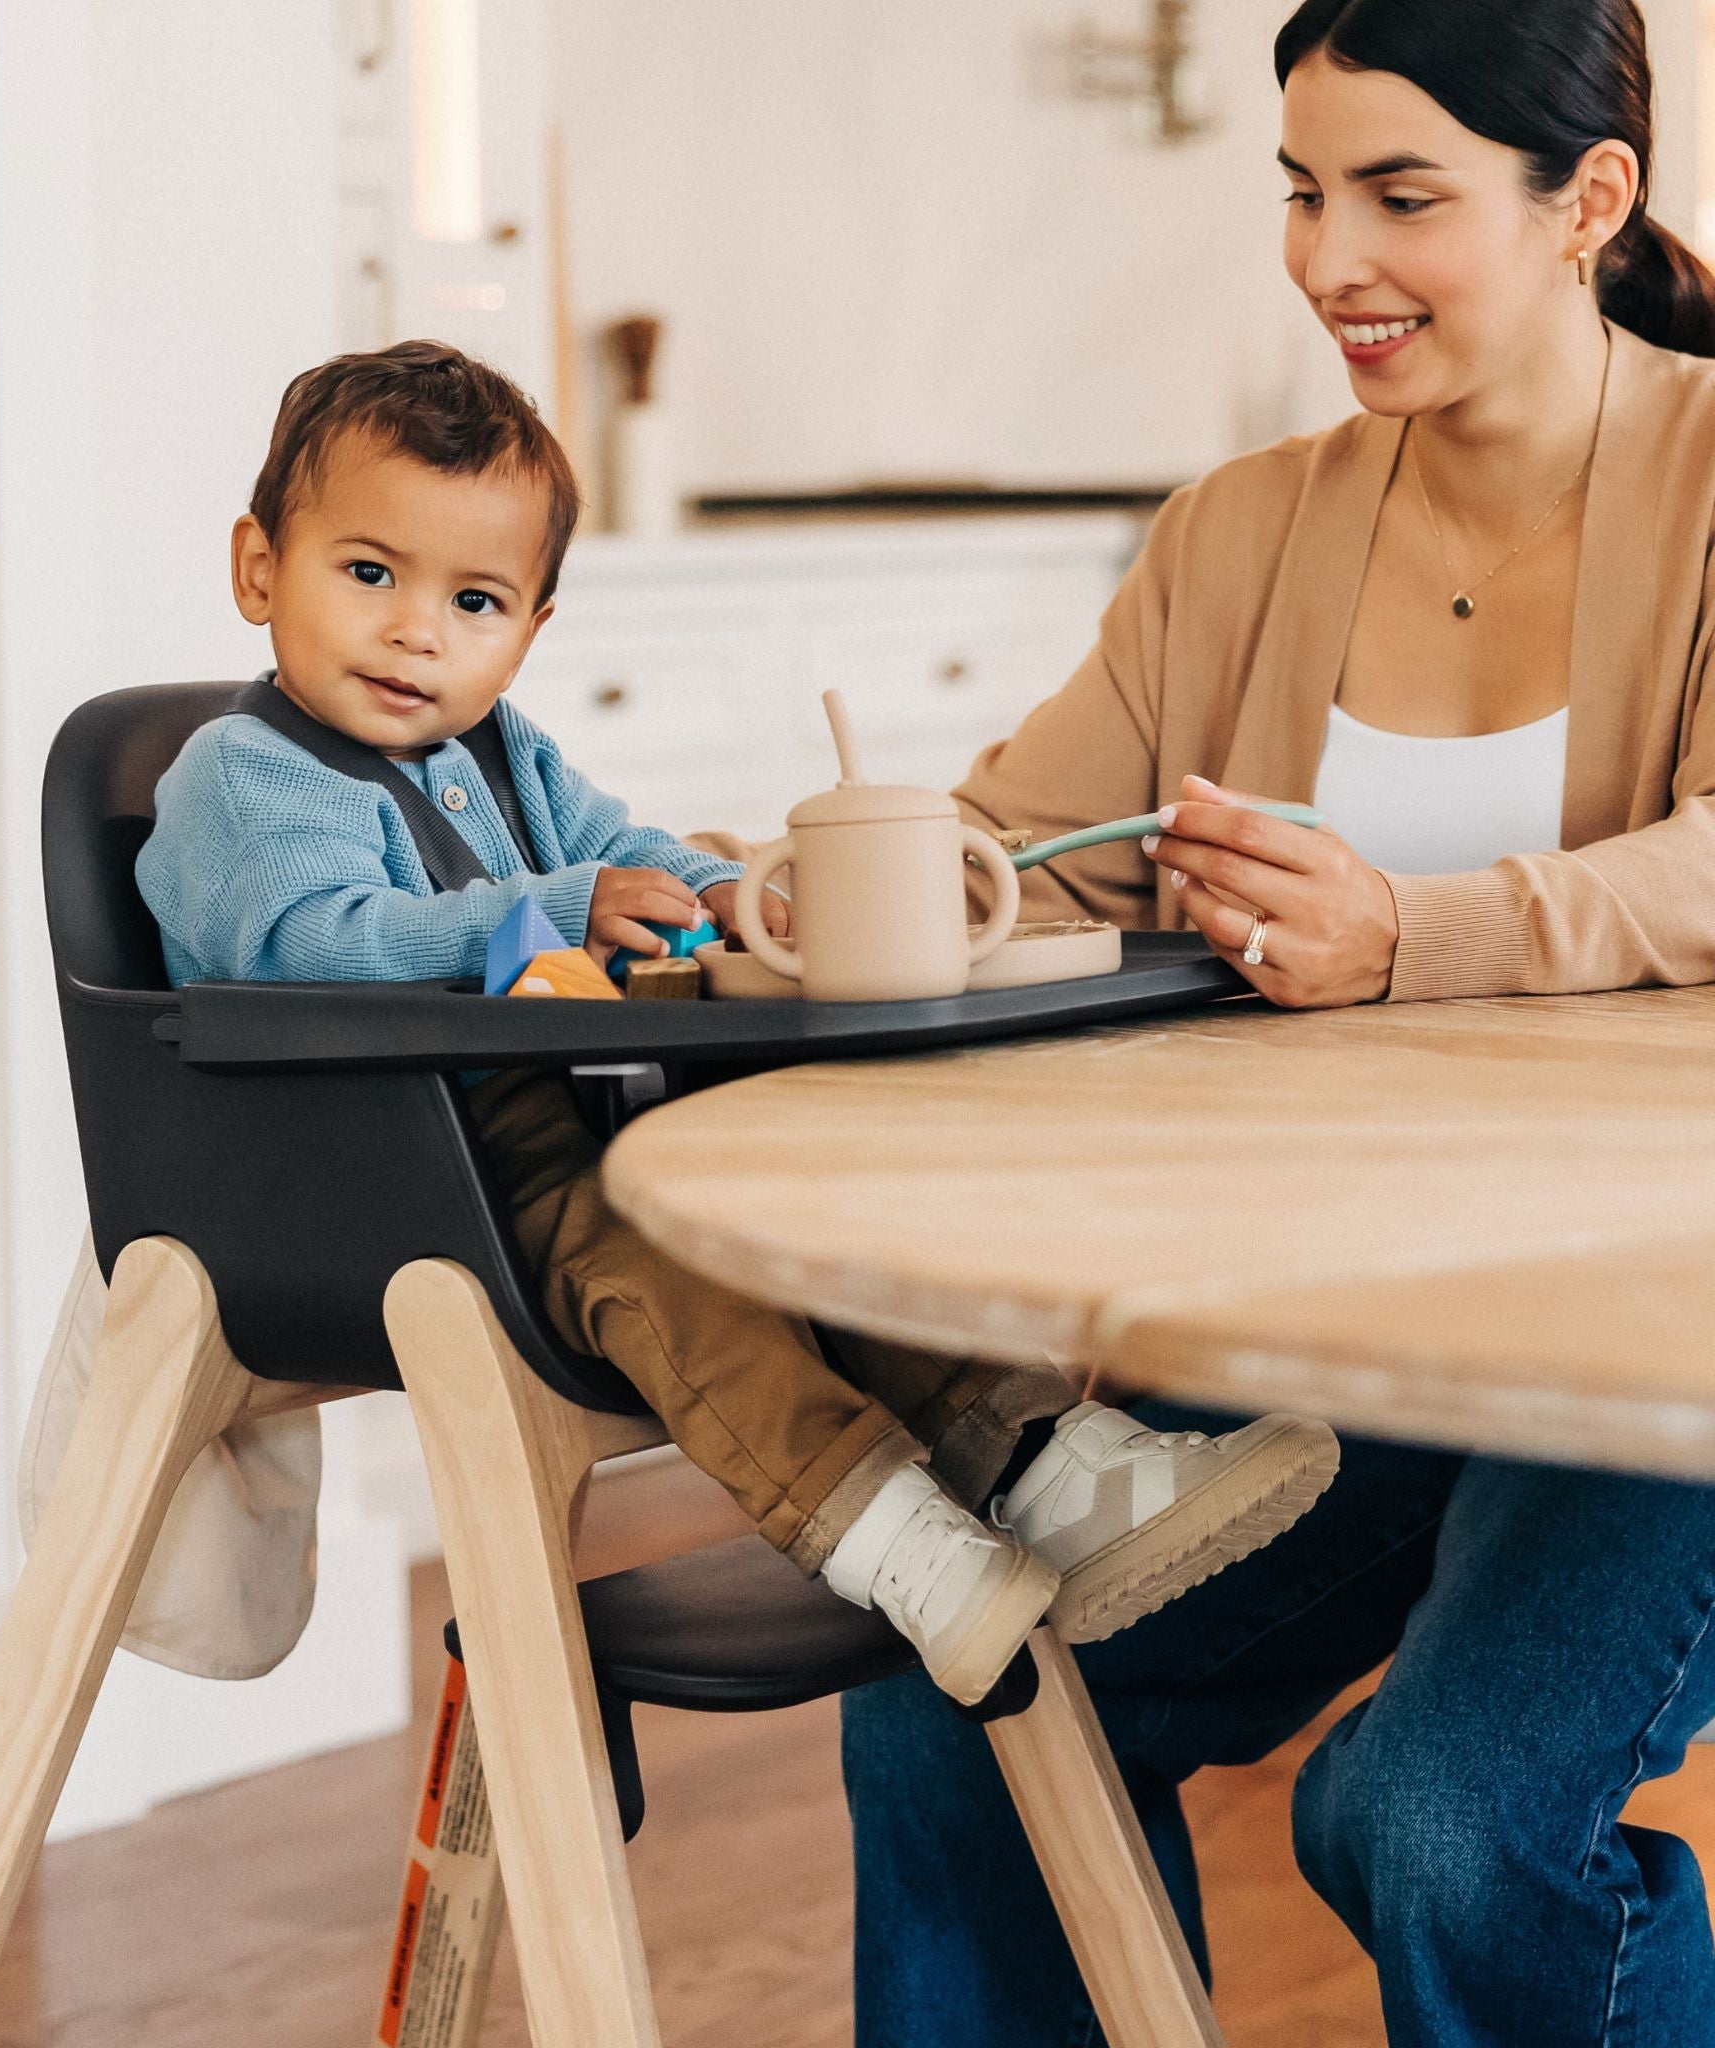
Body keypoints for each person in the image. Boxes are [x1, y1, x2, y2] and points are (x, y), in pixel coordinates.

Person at [841, 2, 1715, 2042]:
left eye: (1399, 195)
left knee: (1440, 1810)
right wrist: (828, 883)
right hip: (1335, 1332)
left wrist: (1419, 931)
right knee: (961, 1699)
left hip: (1664, 1347)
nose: (1330, 260)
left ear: (1587, 199)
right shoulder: (1238, 532)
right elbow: (1023, 848)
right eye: (1303, 193)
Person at [135, 340, 1338, 1711]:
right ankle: (893, 1535)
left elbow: (631, 846)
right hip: (386, 1176)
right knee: (663, 1259)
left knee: (785, 1202)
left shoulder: (501, 752)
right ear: (257, 570)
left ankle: (1051, 1463)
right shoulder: (244, 775)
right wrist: (549, 914)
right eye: (370, 574)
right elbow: (304, 949)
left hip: (549, 1124)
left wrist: (754, 895)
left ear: (529, 628)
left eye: (474, 600)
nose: (420, 631)